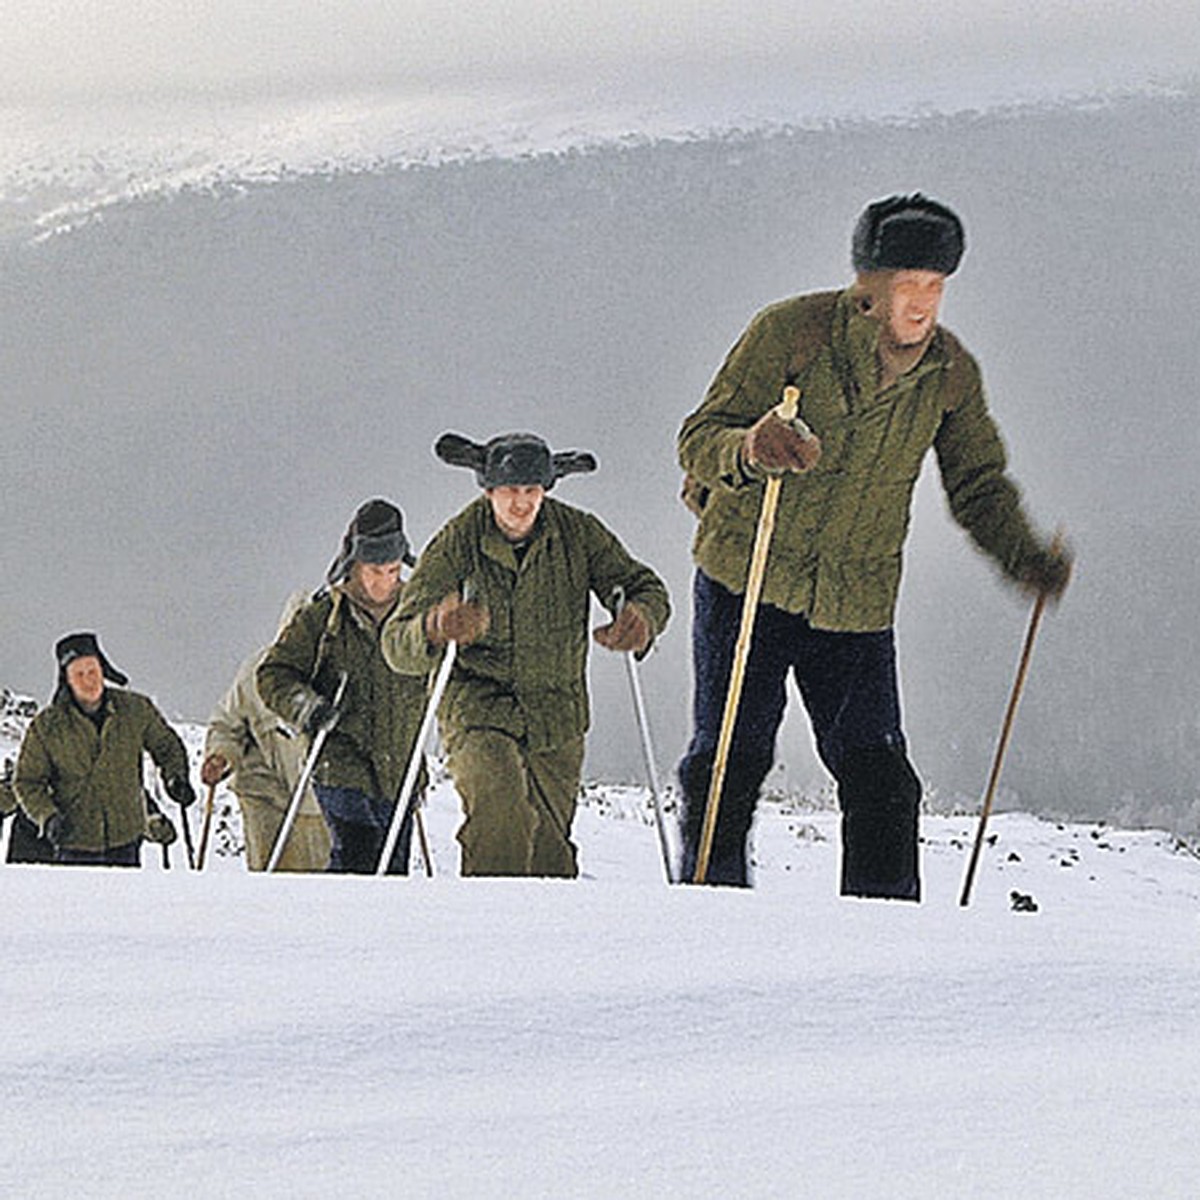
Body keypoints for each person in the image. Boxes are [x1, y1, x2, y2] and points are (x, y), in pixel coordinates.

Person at [676, 193, 1072, 898]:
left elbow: (977, 482)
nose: (922, 303)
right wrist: (752, 445)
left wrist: (1024, 556)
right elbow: (700, 437)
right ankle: (709, 924)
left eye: (935, 286)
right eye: (906, 286)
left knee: (882, 781)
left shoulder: (949, 373)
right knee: (727, 768)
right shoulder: (789, 334)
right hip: (748, 577)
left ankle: (886, 951)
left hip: (854, 606)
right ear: (868, 287)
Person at [382, 431, 671, 878]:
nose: (521, 503)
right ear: (488, 490)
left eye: (532, 491)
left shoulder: (578, 534)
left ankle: (550, 945)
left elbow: (645, 587)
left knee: (550, 854)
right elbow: (397, 644)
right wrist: (435, 627)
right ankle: (490, 933)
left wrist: (640, 618)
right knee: (500, 817)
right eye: (510, 492)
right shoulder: (457, 541)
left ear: (546, 490)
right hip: (478, 708)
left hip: (557, 713)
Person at [257, 499, 429, 874]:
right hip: (338, 759)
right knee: (359, 853)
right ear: (354, 564)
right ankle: (335, 928)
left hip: (400, 767)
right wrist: (307, 707)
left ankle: (382, 932)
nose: (384, 581)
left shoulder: (417, 616)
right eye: (374, 570)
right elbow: (274, 674)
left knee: (394, 870)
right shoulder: (322, 618)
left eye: (393, 570)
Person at [14, 632, 193, 867]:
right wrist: (47, 818)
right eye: (79, 674)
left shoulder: (135, 710)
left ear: (103, 671)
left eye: (93, 671)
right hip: (73, 843)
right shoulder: (47, 727)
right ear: (66, 679)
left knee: (125, 903)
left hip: (126, 839)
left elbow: (166, 746)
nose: (88, 680)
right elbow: (28, 782)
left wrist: (175, 777)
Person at [201, 593, 332, 872]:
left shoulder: (343, 674)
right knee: (275, 892)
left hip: (329, 808)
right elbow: (228, 723)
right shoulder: (257, 672)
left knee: (332, 895)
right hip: (270, 799)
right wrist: (220, 755)